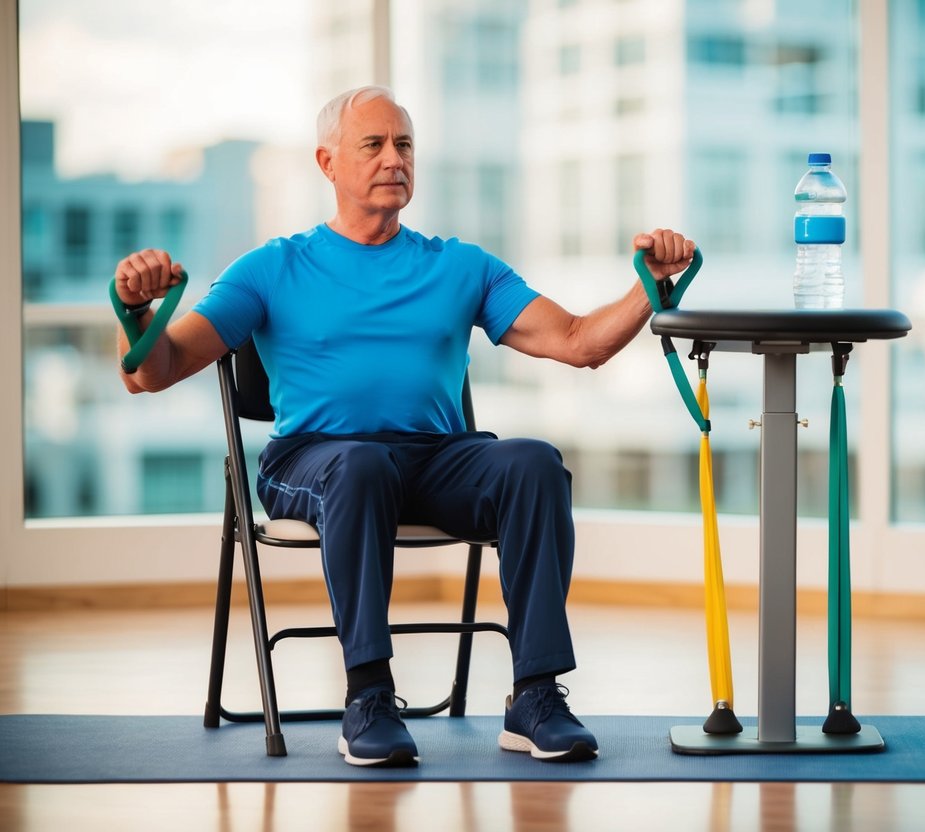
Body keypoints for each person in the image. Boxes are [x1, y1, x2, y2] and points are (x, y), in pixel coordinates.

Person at [113, 85, 695, 767]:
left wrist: (649, 285)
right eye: (374, 144)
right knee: (360, 465)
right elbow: (154, 371)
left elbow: (577, 342)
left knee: (533, 463)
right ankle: (368, 696)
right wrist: (138, 314)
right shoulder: (273, 267)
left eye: (405, 144)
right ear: (327, 163)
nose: (395, 158)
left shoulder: (459, 265)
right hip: (314, 460)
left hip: (435, 459)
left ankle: (535, 695)